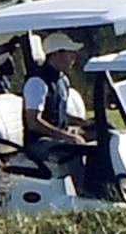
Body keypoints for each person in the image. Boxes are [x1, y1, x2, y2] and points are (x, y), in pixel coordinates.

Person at [22, 32, 93, 161]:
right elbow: (33, 122)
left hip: (57, 137)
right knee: (75, 151)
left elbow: (57, 113)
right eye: (70, 53)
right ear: (56, 54)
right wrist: (66, 136)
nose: (74, 57)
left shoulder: (62, 79)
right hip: (39, 143)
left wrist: (84, 123)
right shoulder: (37, 82)